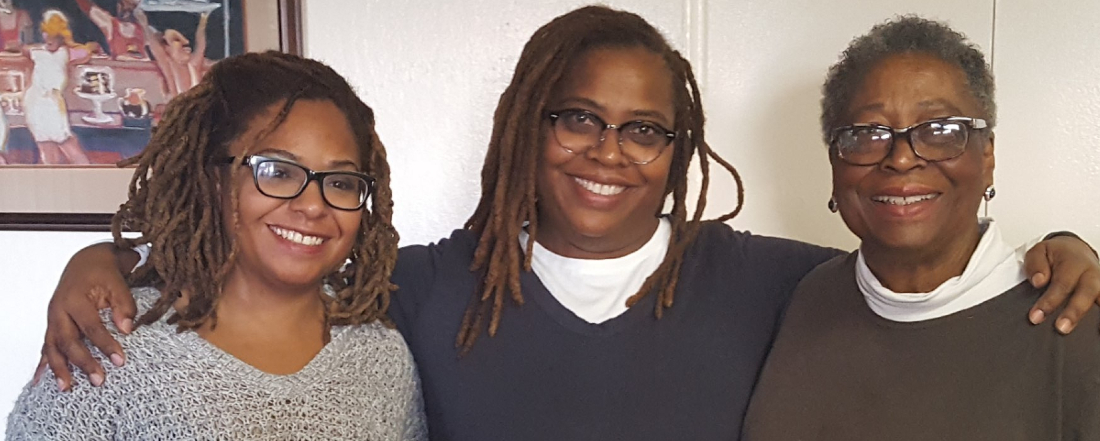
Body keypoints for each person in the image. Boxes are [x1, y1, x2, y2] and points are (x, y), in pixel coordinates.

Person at [29, 7, 1100, 441]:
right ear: (521, 128)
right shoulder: (414, 287)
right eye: (576, 117)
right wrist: (107, 258)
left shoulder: (774, 283)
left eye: (645, 130)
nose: (606, 150)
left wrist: (1056, 255)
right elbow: (272, 258)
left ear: (677, 154)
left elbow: (910, 269)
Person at [6, 51, 427, 440]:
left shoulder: (380, 358)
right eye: (278, 171)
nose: (314, 206)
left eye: (339, 182)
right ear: (212, 178)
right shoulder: (109, 348)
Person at [742, 17, 1100, 440]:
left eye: (939, 130)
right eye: (868, 134)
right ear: (835, 161)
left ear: (987, 155)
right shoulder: (805, 296)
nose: (901, 159)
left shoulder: (1074, 325)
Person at [24, 10, 92, 165]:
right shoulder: (36, 51)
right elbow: (24, 50)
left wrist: (70, 44)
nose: (49, 39)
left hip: (53, 102)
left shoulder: (67, 52)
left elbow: (85, 53)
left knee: (65, 141)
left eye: (54, 35)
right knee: (45, 145)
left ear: (62, 37)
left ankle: (87, 174)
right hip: (35, 102)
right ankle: (52, 178)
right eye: (47, 34)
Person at [133, 8, 210, 99]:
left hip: (162, 28)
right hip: (171, 28)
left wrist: (144, 25)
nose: (187, 49)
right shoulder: (193, 64)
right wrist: (204, 19)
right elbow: (200, 47)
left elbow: (157, 51)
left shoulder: (170, 65)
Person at [75, 0, 145, 60]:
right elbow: (89, 8)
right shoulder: (112, 25)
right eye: (122, 4)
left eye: (131, 6)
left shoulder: (144, 31)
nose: (125, 9)